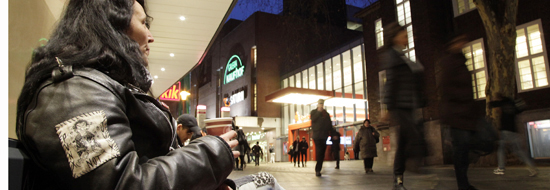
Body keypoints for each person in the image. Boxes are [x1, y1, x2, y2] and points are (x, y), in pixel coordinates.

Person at [14, 1, 239, 189]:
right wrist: (213, 152)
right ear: (113, 27)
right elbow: (122, 184)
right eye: (144, 24)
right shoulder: (71, 94)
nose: (150, 37)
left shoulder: (91, 85)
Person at [380, 22, 427, 190]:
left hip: (408, 105)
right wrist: (388, 108)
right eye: (404, 35)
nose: (406, 38)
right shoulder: (392, 56)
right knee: (412, 139)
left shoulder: (402, 56)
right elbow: (391, 83)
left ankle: (398, 180)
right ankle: (410, 168)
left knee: (403, 143)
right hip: (400, 106)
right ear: (395, 37)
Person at [439, 34, 480, 190]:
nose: (464, 43)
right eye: (461, 41)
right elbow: (446, 88)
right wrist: (462, 98)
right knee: (461, 150)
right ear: (454, 43)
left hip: (465, 113)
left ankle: (464, 183)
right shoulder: (451, 62)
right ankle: (462, 184)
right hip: (457, 114)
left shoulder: (460, 61)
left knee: (464, 150)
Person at [489, 93, 537, 177]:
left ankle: (501, 168)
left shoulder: (502, 102)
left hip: (505, 130)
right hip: (514, 131)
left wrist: (493, 99)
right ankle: (532, 167)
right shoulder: (512, 103)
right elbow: (521, 109)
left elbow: (491, 104)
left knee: (501, 149)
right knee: (519, 151)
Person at [310, 99, 333, 176]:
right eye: (320, 103)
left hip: (324, 136)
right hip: (317, 136)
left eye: (322, 103)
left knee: (322, 153)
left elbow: (329, 124)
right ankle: (318, 170)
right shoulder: (314, 112)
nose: (321, 105)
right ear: (317, 104)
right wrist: (318, 112)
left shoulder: (326, 114)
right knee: (319, 152)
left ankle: (318, 168)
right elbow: (313, 119)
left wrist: (332, 133)